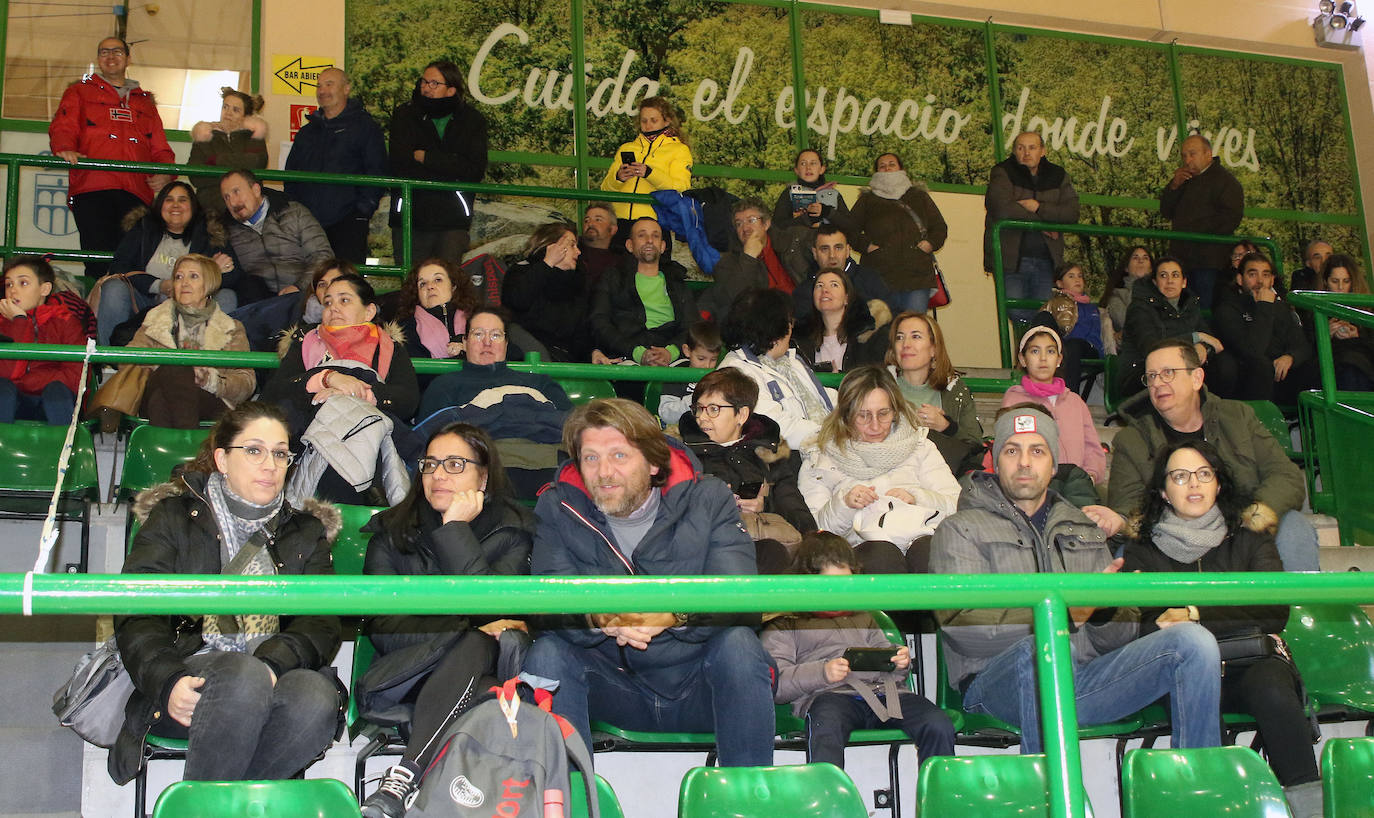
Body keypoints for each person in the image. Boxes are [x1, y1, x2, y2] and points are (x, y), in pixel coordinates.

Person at [931, 405, 1221, 755]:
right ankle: (1051, 800)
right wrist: (1066, 617)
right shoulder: (959, 530)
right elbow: (967, 633)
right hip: (994, 686)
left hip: (1083, 679)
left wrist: (1106, 610)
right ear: (995, 462)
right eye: (1012, 450)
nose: (1024, 462)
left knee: (1193, 642)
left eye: (1037, 451)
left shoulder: (1084, 529)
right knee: (1041, 652)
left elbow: (1118, 640)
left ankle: (1198, 788)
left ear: (1054, 466)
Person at [522, 398, 776, 767]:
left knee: (738, 644)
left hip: (698, 685)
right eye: (590, 458)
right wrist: (603, 617)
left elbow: (736, 590)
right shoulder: (558, 506)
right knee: (546, 654)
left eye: (619, 456)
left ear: (654, 462)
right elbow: (549, 597)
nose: (604, 472)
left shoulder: (709, 498)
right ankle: (570, 799)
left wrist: (672, 614)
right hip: (611, 686)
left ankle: (749, 799)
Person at [108, 401, 342, 786]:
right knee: (241, 675)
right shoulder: (174, 516)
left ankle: (206, 808)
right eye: (254, 450)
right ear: (221, 458)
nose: (270, 464)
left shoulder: (305, 530)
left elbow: (321, 621)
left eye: (281, 454)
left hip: (273, 672)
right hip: (186, 681)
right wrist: (167, 682)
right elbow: (137, 611)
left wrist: (272, 664)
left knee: (316, 698)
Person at [1123, 440, 1322, 818]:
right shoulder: (1142, 549)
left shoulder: (1250, 535)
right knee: (1196, 699)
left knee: (1275, 695)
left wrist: (1194, 614)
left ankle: (1311, 808)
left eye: (1203, 474)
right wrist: (1218, 617)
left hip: (1250, 660)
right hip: (1180, 670)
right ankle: (1219, 807)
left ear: (1218, 483)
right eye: (1180, 476)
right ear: (1164, 492)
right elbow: (1146, 624)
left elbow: (1273, 611)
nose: (1193, 484)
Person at [358, 423, 532, 818]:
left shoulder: (513, 531)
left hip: (478, 668)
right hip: (403, 675)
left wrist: (455, 530)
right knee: (481, 660)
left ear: (483, 476)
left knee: (483, 647)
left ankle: (404, 775)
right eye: (430, 464)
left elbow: (493, 611)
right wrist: (465, 629)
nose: (438, 474)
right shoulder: (390, 533)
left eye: (455, 464)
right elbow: (384, 627)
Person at [1108, 338, 1318, 572]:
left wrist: (1250, 517)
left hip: (1242, 531)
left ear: (1196, 378)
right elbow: (1128, 508)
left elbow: (1286, 476)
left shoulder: (1238, 417)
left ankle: (1297, 606)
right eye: (1151, 376)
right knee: (1124, 554)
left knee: (1294, 526)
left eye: (1167, 373)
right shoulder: (1131, 440)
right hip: (1173, 538)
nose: (1157, 383)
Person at [763, 532, 954, 777]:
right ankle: (828, 805)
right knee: (826, 726)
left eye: (846, 585)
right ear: (807, 582)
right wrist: (823, 672)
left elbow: (894, 673)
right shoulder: (785, 625)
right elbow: (777, 685)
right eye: (830, 586)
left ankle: (938, 801)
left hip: (885, 695)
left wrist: (897, 662)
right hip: (829, 697)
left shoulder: (865, 617)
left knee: (937, 723)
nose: (839, 595)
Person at [262, 273, 418, 504]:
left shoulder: (389, 348)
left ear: (369, 311)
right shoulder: (305, 343)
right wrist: (327, 378)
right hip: (308, 437)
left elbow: (407, 400)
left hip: (366, 433)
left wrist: (357, 393)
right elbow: (273, 394)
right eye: (328, 302)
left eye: (344, 300)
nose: (333, 308)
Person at [800, 365, 959, 574]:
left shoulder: (920, 445)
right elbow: (815, 532)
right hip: (862, 548)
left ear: (895, 411)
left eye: (883, 414)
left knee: (930, 553)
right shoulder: (819, 456)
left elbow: (957, 506)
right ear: (846, 415)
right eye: (863, 416)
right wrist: (845, 504)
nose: (875, 426)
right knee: (881, 555)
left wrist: (917, 497)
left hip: (920, 535)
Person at [49, 37, 174, 278]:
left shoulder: (144, 101)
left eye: (117, 51)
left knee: (132, 262)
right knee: (96, 259)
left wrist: (166, 171)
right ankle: (95, 313)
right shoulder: (78, 92)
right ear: (98, 60)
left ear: (128, 59)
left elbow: (159, 143)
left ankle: (127, 314)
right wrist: (64, 146)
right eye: (104, 52)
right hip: (92, 188)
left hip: (136, 191)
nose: (110, 56)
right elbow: (64, 125)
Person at [414, 307, 571, 499]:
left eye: (496, 335)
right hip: (482, 470)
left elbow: (573, 427)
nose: (487, 342)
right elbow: (428, 446)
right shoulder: (444, 386)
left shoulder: (540, 383)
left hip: (546, 464)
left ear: (506, 344)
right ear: (465, 341)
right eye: (478, 334)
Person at [679, 367, 817, 573]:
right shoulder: (682, 450)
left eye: (714, 409)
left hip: (761, 542)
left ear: (741, 414)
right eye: (699, 408)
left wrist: (765, 504)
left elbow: (791, 502)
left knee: (773, 552)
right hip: (705, 546)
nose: (702, 418)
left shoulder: (770, 450)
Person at [100, 180, 239, 344]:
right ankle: (108, 361)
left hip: (193, 303)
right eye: (169, 200)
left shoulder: (211, 232)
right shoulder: (143, 228)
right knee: (114, 287)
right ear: (160, 206)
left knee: (228, 296)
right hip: (145, 299)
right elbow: (119, 266)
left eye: (182, 200)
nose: (175, 205)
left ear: (193, 206)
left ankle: (208, 361)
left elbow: (235, 276)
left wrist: (211, 272)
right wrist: (161, 285)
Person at [125, 254, 255, 429]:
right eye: (179, 277)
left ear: (209, 284)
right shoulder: (155, 320)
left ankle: (169, 452)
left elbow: (246, 382)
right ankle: (188, 449)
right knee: (176, 368)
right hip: (154, 390)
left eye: (193, 276)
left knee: (160, 400)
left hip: (209, 400)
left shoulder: (232, 328)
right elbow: (128, 360)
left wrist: (210, 380)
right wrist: (167, 369)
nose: (184, 283)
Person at [388, 60, 489, 264]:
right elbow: (400, 164)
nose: (426, 87)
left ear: (451, 90)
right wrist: (450, 165)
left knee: (447, 282)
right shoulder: (404, 115)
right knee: (411, 284)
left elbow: (473, 170)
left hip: (452, 218)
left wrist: (426, 157)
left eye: (434, 83)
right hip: (410, 215)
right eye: (424, 81)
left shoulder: (472, 120)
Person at [283, 67, 387, 263]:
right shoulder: (306, 133)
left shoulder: (366, 128)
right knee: (310, 282)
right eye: (319, 86)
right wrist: (296, 211)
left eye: (329, 84)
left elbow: (377, 172)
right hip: (307, 223)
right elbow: (291, 176)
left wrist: (361, 212)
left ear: (346, 89)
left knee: (346, 282)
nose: (322, 91)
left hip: (349, 224)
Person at [717, 287, 836, 451]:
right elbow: (773, 425)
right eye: (789, 322)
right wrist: (835, 436)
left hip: (824, 447)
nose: (791, 328)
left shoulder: (790, 361)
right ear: (775, 328)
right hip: (789, 461)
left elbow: (821, 398)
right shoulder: (735, 372)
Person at [983, 131, 1080, 323]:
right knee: (1016, 312)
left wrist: (1039, 207)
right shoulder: (1002, 172)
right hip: (1011, 260)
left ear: (1043, 151)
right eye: (1020, 148)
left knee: (1042, 315)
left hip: (1046, 260)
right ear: (1014, 151)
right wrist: (1041, 224)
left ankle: (1031, 350)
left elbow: (1072, 212)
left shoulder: (1058, 175)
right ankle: (1028, 350)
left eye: (1032, 147)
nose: (1026, 153)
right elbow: (1000, 207)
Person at [1001, 325, 1106, 488]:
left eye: (1050, 351)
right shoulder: (1014, 399)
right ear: (1022, 359)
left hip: (1073, 486)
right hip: (1031, 487)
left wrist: (1089, 477)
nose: (1043, 358)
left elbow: (1092, 447)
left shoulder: (1075, 402)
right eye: (1035, 351)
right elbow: (1008, 448)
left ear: (1059, 359)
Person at [1116, 256, 1230, 400]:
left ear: (1184, 282)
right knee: (1179, 374)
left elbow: (1212, 341)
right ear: (1155, 282)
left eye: (1175, 275)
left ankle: (1222, 414)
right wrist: (1195, 337)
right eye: (1163, 275)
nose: (1170, 281)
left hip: (1179, 369)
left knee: (1224, 366)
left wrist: (1202, 346)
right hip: (1142, 374)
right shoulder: (1140, 308)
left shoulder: (1190, 306)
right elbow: (1153, 348)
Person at [849, 153, 948, 315]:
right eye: (882, 165)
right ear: (876, 171)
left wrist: (930, 244)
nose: (887, 168)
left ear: (901, 168)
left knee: (914, 327)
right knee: (884, 332)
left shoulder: (919, 196)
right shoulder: (867, 200)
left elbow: (939, 227)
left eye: (891, 164)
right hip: (878, 276)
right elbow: (850, 229)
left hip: (917, 276)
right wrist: (866, 246)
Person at [588, 217, 696, 366]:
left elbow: (691, 325)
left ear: (663, 246)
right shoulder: (613, 278)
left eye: (655, 235)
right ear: (630, 245)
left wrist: (671, 352)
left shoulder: (677, 283)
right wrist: (636, 352)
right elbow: (600, 321)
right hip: (626, 356)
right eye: (642, 235)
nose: (649, 240)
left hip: (673, 358)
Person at [1213, 252, 1318, 403]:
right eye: (1252, 274)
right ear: (1240, 279)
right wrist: (1264, 307)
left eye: (1266, 275)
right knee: (1260, 366)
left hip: (1281, 374)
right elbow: (1253, 350)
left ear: (1272, 280)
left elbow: (1302, 345)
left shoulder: (1280, 308)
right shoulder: (1228, 309)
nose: (1260, 281)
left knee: (1315, 366)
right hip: (1247, 376)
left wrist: (1291, 357)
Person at [885, 311, 983, 473]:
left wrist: (946, 427)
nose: (905, 344)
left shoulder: (955, 390)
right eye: (900, 337)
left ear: (934, 349)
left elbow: (976, 450)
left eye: (915, 337)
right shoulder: (879, 386)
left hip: (941, 481)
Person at [220, 170, 334, 303]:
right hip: (258, 300)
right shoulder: (225, 230)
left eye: (236, 192)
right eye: (226, 197)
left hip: (303, 293)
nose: (233, 202)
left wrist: (299, 287)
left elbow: (322, 255)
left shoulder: (294, 212)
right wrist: (216, 269)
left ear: (256, 189)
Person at [1159, 134, 1244, 308]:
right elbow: (1166, 211)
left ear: (1208, 154)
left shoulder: (1226, 182)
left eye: (1192, 154)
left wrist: (1196, 231)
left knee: (1204, 310)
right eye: (1184, 156)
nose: (1187, 160)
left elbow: (1231, 218)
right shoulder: (1182, 180)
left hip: (1209, 262)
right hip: (1181, 260)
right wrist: (1174, 187)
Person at [0, 256, 84, 425]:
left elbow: (76, 377)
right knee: (2, 388)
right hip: (12, 400)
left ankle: (62, 449)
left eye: (23, 283)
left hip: (51, 400)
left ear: (44, 289)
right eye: (9, 284)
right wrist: (19, 321)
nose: (13, 291)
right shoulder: (3, 322)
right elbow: (6, 374)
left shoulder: (66, 321)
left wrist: (26, 381)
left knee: (57, 391)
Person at [700, 198, 812, 322]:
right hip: (763, 324)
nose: (745, 228)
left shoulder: (792, 243)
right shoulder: (726, 264)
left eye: (751, 220)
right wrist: (748, 258)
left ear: (766, 224)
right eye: (739, 224)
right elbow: (734, 303)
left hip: (802, 319)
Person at [502, 222, 591, 362]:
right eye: (572, 245)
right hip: (527, 353)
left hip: (565, 356)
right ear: (552, 246)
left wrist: (593, 353)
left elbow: (583, 330)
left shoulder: (578, 281)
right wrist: (547, 263)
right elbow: (518, 300)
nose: (578, 252)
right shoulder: (522, 271)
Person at [600, 96, 692, 227]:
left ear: (667, 121)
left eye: (654, 120)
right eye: (644, 121)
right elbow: (605, 189)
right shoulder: (626, 148)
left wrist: (650, 173)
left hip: (654, 224)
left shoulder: (679, 150)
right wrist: (618, 178)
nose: (648, 126)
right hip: (620, 222)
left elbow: (681, 188)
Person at [188, 87, 268, 214]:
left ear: (246, 116)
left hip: (246, 209)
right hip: (210, 208)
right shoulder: (204, 134)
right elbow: (196, 176)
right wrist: (240, 171)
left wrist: (215, 161)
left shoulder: (254, 135)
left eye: (235, 110)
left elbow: (257, 163)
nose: (228, 113)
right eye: (225, 107)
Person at [793, 268, 889, 373]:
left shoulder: (868, 338)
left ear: (846, 298)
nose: (825, 290)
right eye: (819, 286)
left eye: (834, 285)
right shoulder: (800, 341)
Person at [793, 225, 892, 322]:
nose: (832, 255)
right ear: (815, 253)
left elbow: (893, 316)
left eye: (838, 248)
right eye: (825, 249)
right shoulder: (804, 292)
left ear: (848, 250)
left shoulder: (870, 279)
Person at [1041, 262, 1110, 396]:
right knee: (1068, 347)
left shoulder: (1091, 308)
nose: (1077, 279)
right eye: (1071, 276)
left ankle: (1070, 396)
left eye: (1080, 276)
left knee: (1074, 345)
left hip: (1088, 348)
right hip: (1064, 348)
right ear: (1060, 283)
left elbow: (1094, 334)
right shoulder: (1053, 304)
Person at [394, 257, 480, 362]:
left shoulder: (478, 317)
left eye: (438, 280)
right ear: (417, 293)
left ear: (453, 286)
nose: (430, 286)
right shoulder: (405, 328)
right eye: (422, 284)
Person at [1313, 254, 1374, 391]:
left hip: (1362, 366)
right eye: (1335, 281)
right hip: (1332, 368)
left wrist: (1357, 336)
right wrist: (1325, 335)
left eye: (1346, 281)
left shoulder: (1367, 310)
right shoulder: (1313, 309)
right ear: (1325, 282)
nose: (1340, 287)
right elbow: (1307, 348)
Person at [656, 320, 722, 426]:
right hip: (680, 431)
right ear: (687, 350)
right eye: (701, 359)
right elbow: (666, 415)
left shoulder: (717, 377)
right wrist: (697, 399)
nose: (707, 365)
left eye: (713, 359)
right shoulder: (677, 373)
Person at [771, 148, 853, 232]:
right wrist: (807, 218)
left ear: (822, 169)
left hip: (827, 242)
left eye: (813, 163)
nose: (808, 168)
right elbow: (777, 227)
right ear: (796, 170)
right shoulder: (789, 193)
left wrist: (826, 211)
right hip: (800, 243)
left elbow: (850, 226)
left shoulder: (833, 194)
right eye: (803, 163)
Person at [1100, 245, 1153, 344]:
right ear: (1126, 268)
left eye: (1145, 258)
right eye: (1135, 258)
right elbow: (1130, 324)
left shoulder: (1162, 292)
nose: (1140, 261)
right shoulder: (1116, 297)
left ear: (1151, 268)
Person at [577, 202, 624, 291]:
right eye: (586, 220)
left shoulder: (621, 261)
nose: (590, 224)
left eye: (598, 220)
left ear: (613, 229)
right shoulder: (572, 253)